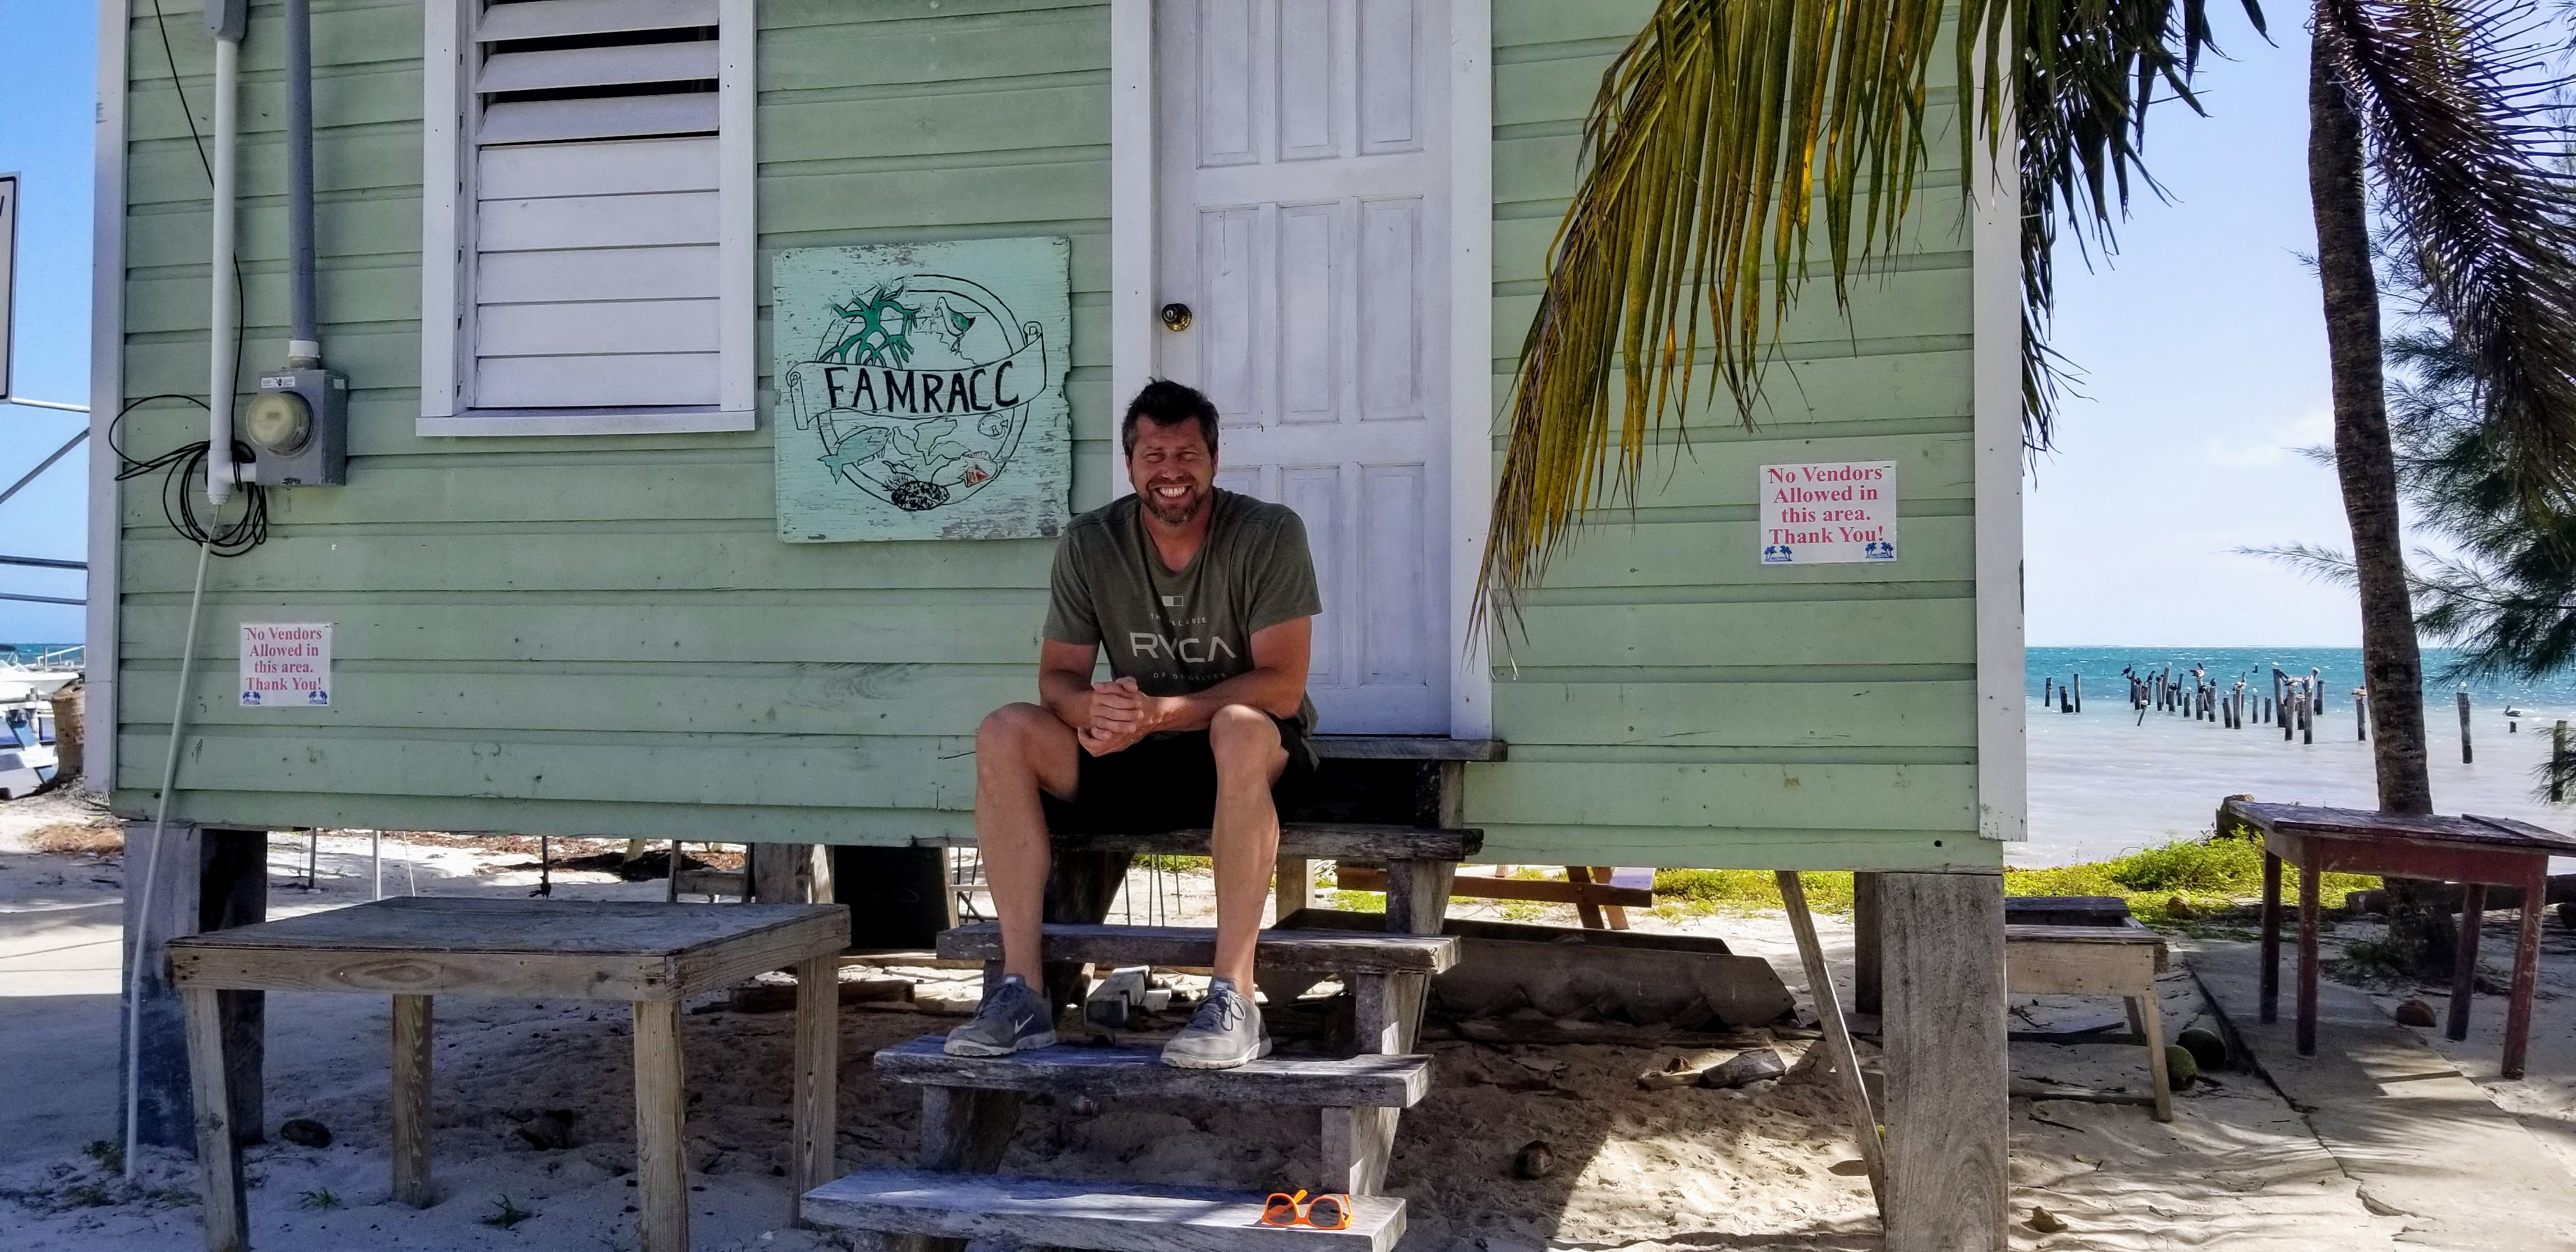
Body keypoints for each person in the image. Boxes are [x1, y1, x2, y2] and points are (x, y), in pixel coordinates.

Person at [945, 379, 1321, 1069]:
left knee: (1239, 723)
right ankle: (1021, 991)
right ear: (1130, 464)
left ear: (1213, 457)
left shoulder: (1268, 532)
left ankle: (1234, 995)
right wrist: (1094, 710)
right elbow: (1056, 676)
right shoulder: (1091, 542)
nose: (1171, 471)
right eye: (1155, 454)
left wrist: (1161, 713)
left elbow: (1283, 686)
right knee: (1005, 730)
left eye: (1186, 453)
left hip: (1243, 761)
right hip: (1133, 753)